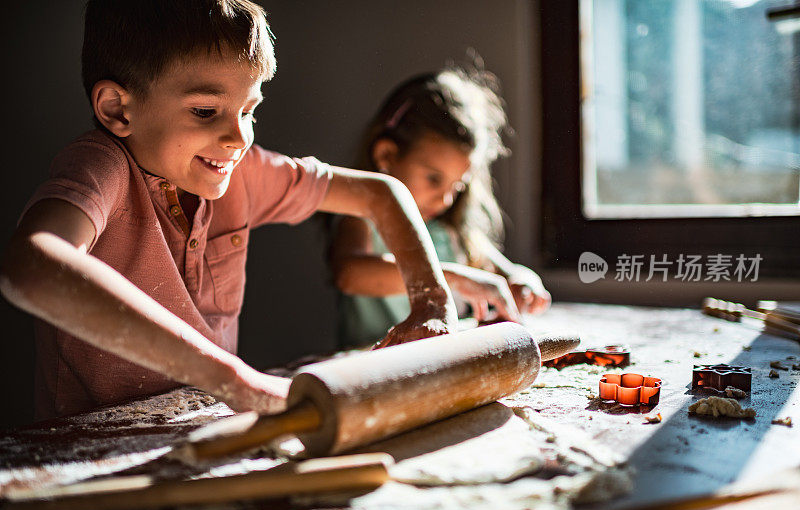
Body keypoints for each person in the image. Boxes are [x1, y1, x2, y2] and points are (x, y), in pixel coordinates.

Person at [0, 0, 459, 420]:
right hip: (93, 445)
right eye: (205, 111)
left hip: (207, 422)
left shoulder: (245, 172)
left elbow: (381, 193)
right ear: (119, 109)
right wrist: (233, 379)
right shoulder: (103, 167)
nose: (238, 138)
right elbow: (32, 265)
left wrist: (432, 304)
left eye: (249, 110)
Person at [330, 63, 551, 348]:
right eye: (434, 179)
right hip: (373, 367)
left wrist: (522, 281)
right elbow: (349, 274)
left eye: (457, 187)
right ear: (386, 155)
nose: (446, 199)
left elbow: (505, 272)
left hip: (441, 364)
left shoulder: (447, 228)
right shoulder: (360, 216)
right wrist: (450, 277)